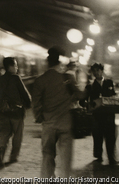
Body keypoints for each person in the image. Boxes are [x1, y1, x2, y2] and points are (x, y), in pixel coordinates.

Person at [32, 46, 86, 178]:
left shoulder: (40, 80)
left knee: (47, 156)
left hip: (48, 125)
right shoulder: (67, 78)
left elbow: (36, 104)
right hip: (65, 124)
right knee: (65, 160)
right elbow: (80, 95)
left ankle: (46, 179)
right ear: (59, 63)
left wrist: (40, 117)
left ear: (47, 62)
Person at [0, 57, 31, 167]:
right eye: (15, 65)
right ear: (10, 67)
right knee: (17, 135)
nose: (17, 67)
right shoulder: (16, 78)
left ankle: (1, 153)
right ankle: (13, 157)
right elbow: (25, 94)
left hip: (3, 112)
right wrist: (28, 103)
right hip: (16, 112)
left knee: (4, 134)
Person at [80, 63, 117, 165]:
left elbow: (114, 96)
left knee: (110, 136)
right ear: (92, 73)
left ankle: (111, 156)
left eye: (98, 70)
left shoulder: (109, 83)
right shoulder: (90, 87)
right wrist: (88, 105)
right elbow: (82, 101)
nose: (97, 73)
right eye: (94, 71)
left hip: (109, 115)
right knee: (97, 136)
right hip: (97, 116)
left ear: (102, 71)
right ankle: (98, 155)